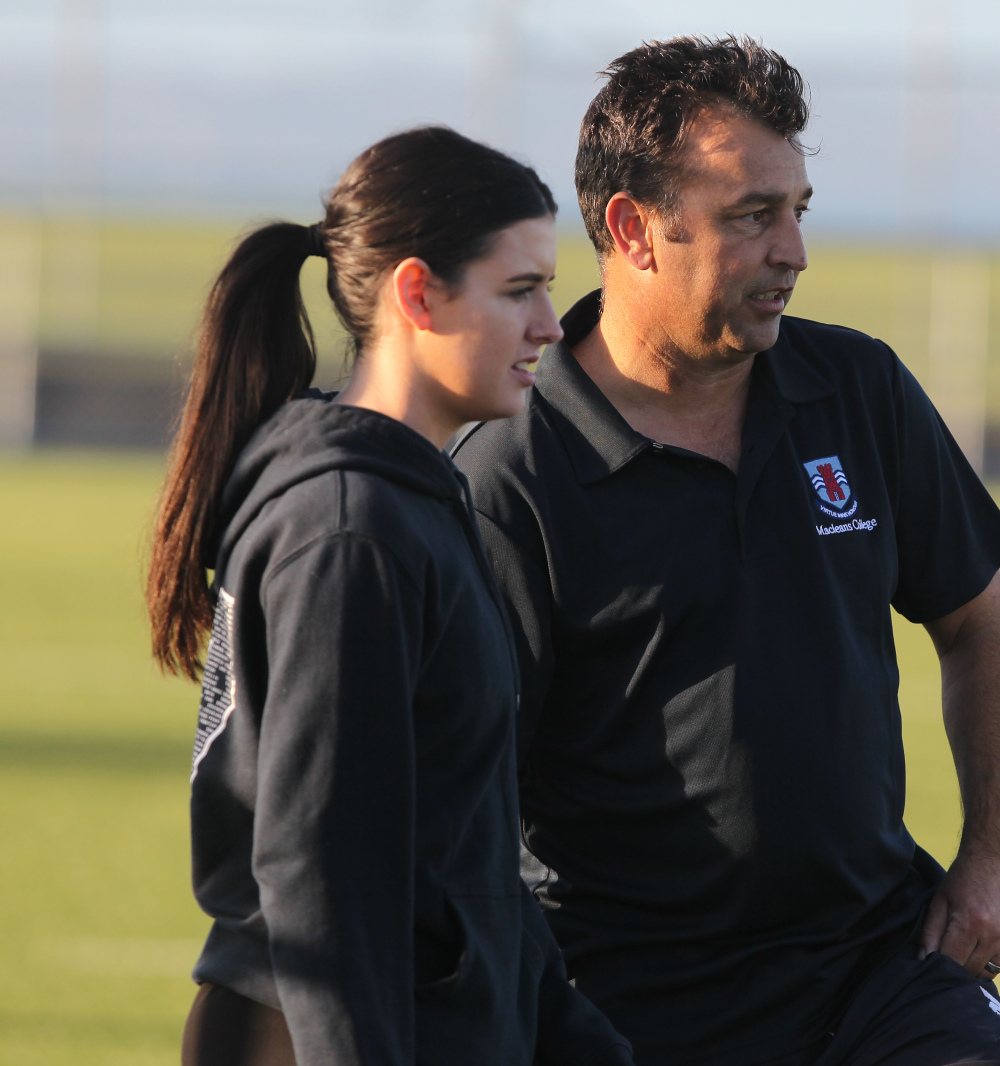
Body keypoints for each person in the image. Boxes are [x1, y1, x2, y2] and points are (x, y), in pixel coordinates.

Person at [453, 37, 1000, 1066]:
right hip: (628, 1006)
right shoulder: (514, 473)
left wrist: (992, 859)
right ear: (634, 229)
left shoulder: (858, 390)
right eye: (751, 216)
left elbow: (981, 624)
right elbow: (461, 806)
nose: (794, 251)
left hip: (875, 969)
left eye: (798, 210)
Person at [145, 126, 632, 1066]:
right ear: (417, 293)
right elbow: (318, 876)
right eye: (519, 289)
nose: (549, 324)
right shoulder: (348, 531)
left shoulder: (411, 501)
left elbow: (464, 852)